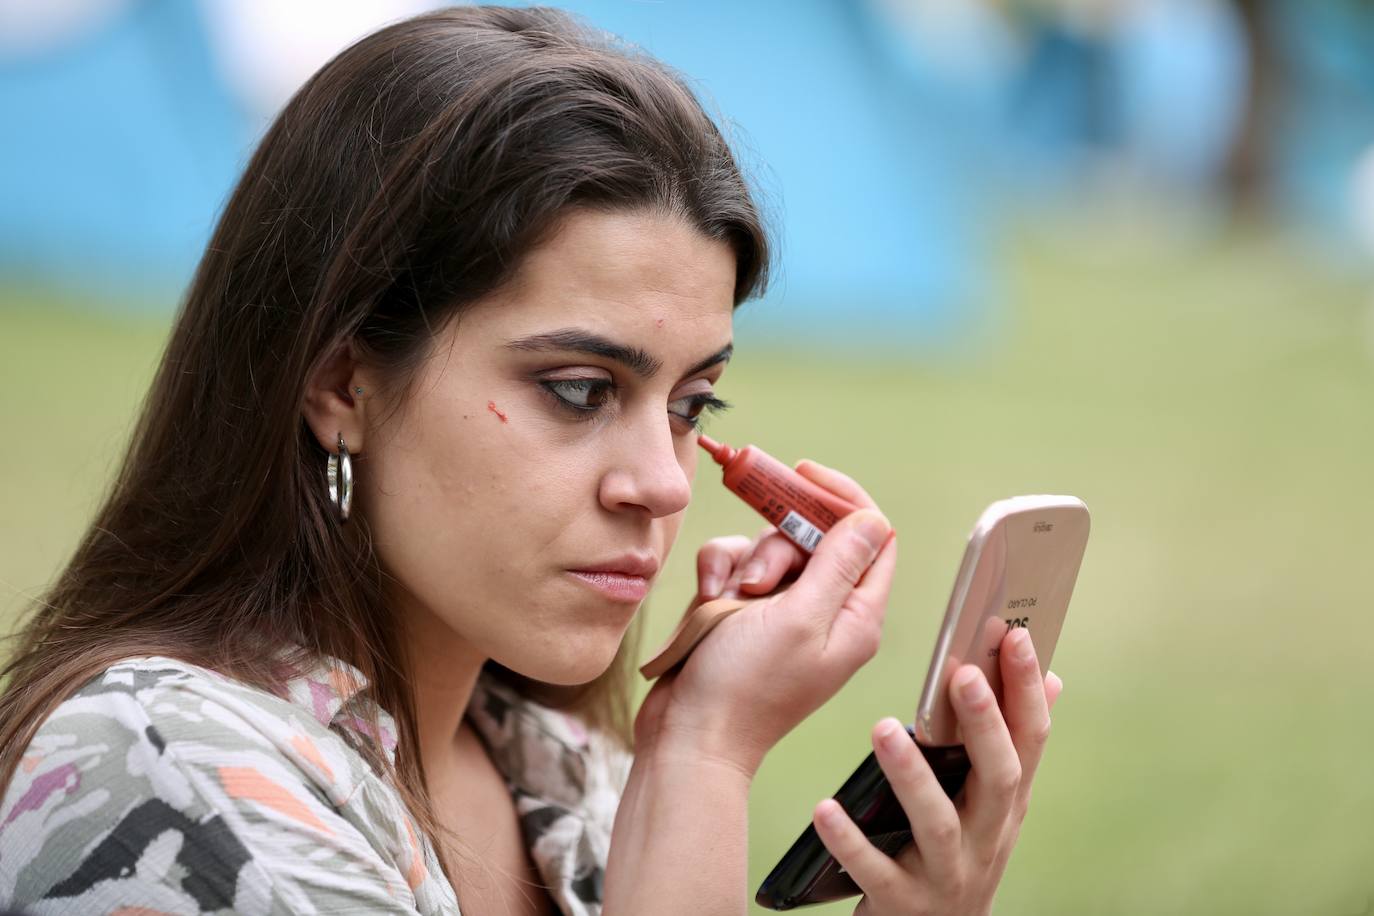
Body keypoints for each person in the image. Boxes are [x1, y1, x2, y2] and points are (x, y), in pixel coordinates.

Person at [0, 7, 1061, 915]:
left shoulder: (556, 767)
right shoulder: (171, 768)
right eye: (580, 390)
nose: (662, 481)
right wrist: (700, 763)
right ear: (340, 384)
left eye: (694, 402)